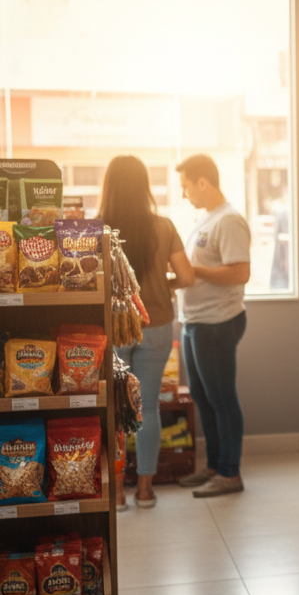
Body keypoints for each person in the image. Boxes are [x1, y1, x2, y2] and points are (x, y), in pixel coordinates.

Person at [99, 155, 194, 509]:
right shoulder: (164, 226)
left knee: (114, 408)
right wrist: (159, 285)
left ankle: (118, 493)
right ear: (145, 187)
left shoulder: (96, 228)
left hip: (113, 329)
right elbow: (186, 277)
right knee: (147, 407)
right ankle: (145, 490)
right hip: (155, 324)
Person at [175, 154, 251, 498]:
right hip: (196, 322)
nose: (184, 194)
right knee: (203, 398)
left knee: (222, 398)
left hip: (217, 322)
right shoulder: (207, 219)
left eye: (186, 187)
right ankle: (214, 467)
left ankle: (230, 474)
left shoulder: (229, 220)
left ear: (202, 183)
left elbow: (240, 272)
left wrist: (193, 273)